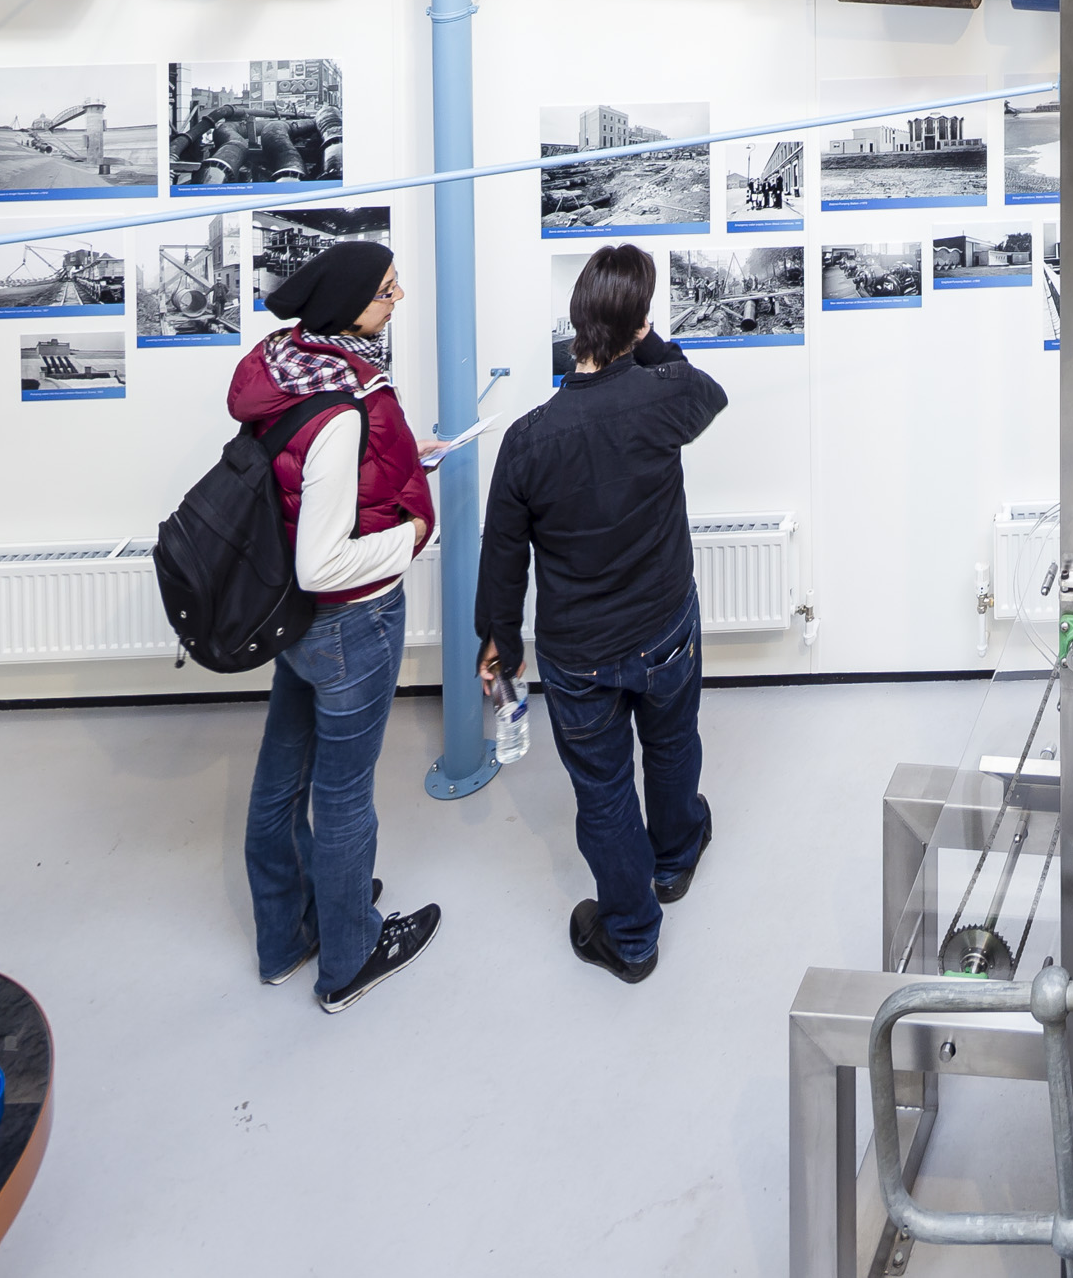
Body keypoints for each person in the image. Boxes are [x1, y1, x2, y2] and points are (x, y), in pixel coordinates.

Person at [478, 244, 730, 984]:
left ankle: (632, 936)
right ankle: (675, 860)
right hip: (664, 626)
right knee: (673, 744)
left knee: (604, 790)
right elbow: (707, 390)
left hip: (580, 651)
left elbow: (503, 554)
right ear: (638, 323)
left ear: (577, 322)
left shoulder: (528, 438)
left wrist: (499, 641)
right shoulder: (662, 397)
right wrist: (645, 339)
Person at [235, 239, 451, 1011]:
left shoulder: (290, 366)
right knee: (344, 794)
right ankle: (351, 955)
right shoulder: (345, 408)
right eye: (387, 289)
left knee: (280, 780)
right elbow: (323, 562)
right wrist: (413, 534)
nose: (399, 299)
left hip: (295, 626)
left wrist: (404, 458)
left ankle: (285, 937)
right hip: (350, 621)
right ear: (348, 305)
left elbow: (311, 481)